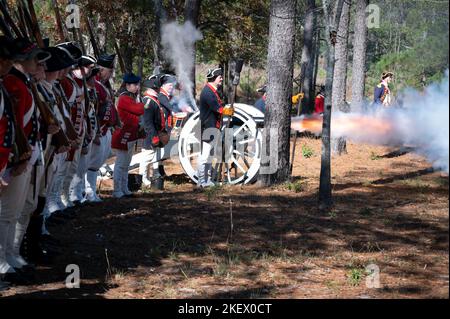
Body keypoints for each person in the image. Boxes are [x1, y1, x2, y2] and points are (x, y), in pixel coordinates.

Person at [1, 38, 51, 284]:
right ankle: (2, 261)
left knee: (15, 212)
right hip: (13, 160)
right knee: (6, 214)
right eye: (34, 59)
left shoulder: (22, 83)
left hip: (24, 155)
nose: (38, 63)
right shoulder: (14, 84)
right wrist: (12, 160)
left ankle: (10, 255)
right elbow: (11, 128)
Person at [84, 54, 117, 203]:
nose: (111, 73)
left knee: (97, 162)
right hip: (99, 128)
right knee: (92, 163)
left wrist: (116, 121)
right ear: (101, 70)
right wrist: (96, 131)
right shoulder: (95, 85)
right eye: (109, 70)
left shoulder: (105, 85)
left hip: (106, 128)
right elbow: (93, 110)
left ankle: (90, 192)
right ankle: (88, 192)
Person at [197, 68, 234, 188]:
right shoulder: (208, 92)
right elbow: (216, 107)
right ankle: (201, 181)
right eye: (219, 77)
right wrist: (227, 110)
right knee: (205, 156)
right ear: (213, 78)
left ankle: (206, 180)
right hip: (208, 127)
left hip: (213, 127)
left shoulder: (212, 91)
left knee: (209, 156)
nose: (221, 79)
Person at [111, 73, 144, 198]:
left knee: (126, 164)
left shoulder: (132, 97)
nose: (137, 87)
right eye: (135, 85)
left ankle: (124, 188)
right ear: (127, 85)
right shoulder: (124, 98)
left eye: (138, 84)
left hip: (130, 135)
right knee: (120, 163)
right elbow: (140, 110)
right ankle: (117, 190)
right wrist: (140, 103)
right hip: (122, 135)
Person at [140, 74, 170, 189]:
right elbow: (148, 123)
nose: (159, 89)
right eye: (157, 87)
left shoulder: (153, 100)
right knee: (146, 157)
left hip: (155, 133)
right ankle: (143, 179)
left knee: (150, 157)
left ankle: (148, 178)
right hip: (150, 135)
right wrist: (154, 137)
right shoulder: (148, 101)